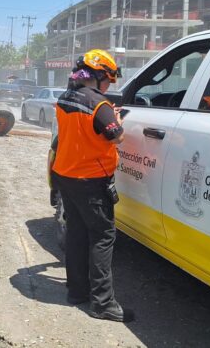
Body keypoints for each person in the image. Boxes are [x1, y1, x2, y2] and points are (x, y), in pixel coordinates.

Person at [51, 48, 134, 323]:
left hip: (66, 175)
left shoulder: (65, 98)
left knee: (76, 234)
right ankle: (102, 303)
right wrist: (117, 120)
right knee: (102, 237)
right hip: (91, 179)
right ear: (98, 76)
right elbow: (116, 137)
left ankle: (76, 292)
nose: (110, 85)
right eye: (109, 79)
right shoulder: (100, 105)